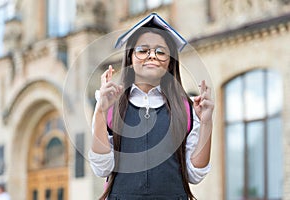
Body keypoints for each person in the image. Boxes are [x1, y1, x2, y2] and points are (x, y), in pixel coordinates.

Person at [89, 13, 214, 200]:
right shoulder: (109, 105)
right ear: (130, 57)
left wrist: (206, 123)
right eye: (142, 50)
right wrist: (100, 111)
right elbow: (101, 168)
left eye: (161, 52)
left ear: (170, 62)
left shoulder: (186, 108)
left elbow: (194, 174)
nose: (152, 56)